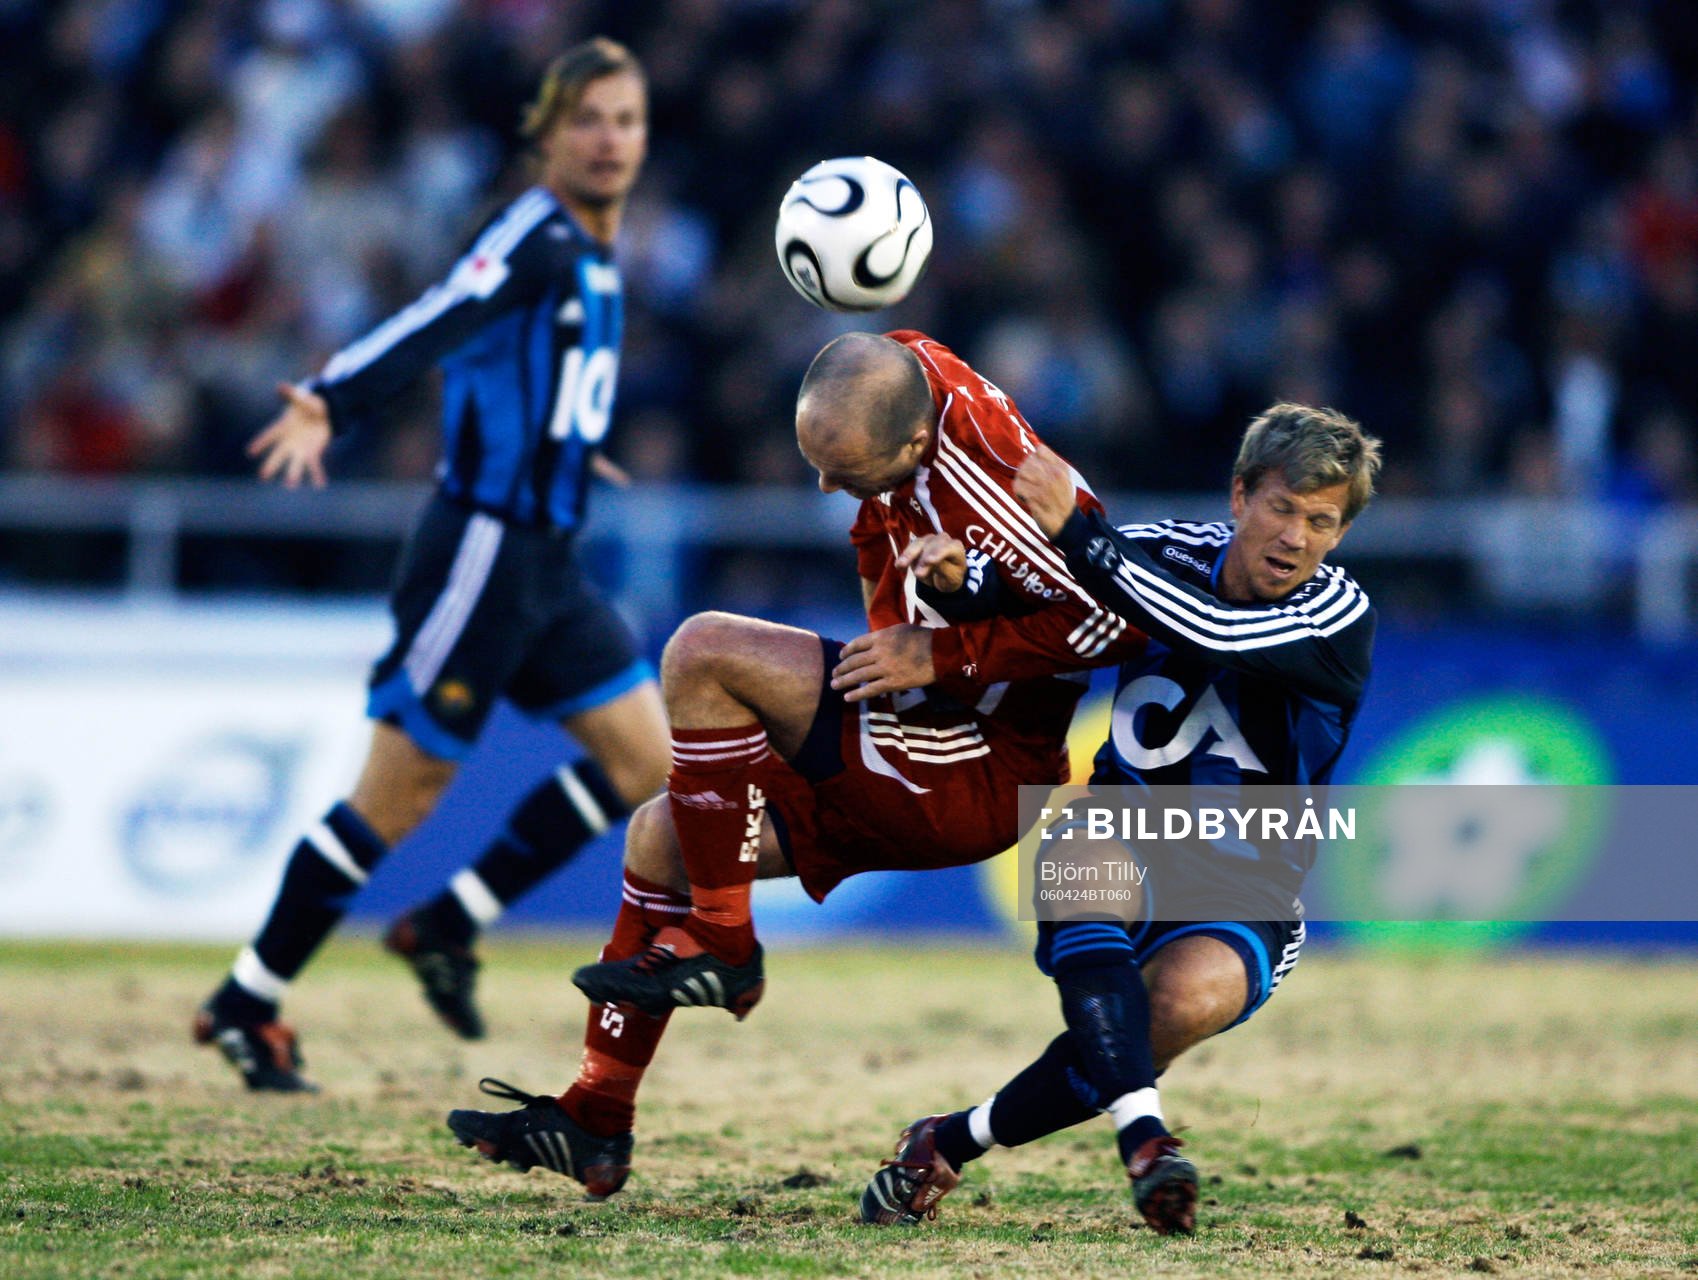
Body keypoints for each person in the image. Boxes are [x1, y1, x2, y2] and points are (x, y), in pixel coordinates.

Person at [440, 329, 1150, 1197]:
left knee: (703, 651)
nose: (823, 486)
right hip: (916, 735)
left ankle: (725, 942)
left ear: (917, 443)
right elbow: (903, 604)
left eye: (844, 470)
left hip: (976, 769)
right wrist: (943, 616)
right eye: (816, 461)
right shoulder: (903, 385)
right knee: (661, 838)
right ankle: (596, 1117)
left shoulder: (997, 490)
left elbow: (1120, 621)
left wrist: (942, 655)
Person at [194, 38, 667, 1090]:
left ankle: (448, 920)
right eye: (587, 118)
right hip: (483, 555)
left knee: (647, 762)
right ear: (545, 133)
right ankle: (246, 998)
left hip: (548, 559)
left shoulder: (596, 244)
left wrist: (573, 444)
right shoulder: (537, 235)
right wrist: (334, 394)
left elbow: (528, 374)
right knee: (394, 800)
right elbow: (441, 318)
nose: (608, 139)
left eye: (625, 120)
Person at [842, 403, 1382, 1234]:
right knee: (1086, 865)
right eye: (1282, 508)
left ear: (1340, 534)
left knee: (1166, 1014)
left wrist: (1084, 536)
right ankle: (1145, 1138)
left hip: (1250, 881)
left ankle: (948, 1141)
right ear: (1239, 497)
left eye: (1321, 521)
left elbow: (1217, 633)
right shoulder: (1162, 550)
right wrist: (963, 584)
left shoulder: (1341, 615)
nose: (1296, 537)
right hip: (1120, 825)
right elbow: (1055, 610)